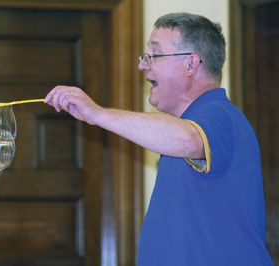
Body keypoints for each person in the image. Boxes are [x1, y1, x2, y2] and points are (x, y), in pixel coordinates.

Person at [44, 12, 273, 266]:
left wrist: (97, 114)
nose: (143, 65)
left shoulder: (219, 115)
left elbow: (189, 139)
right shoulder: (189, 123)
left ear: (191, 65)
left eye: (154, 54)